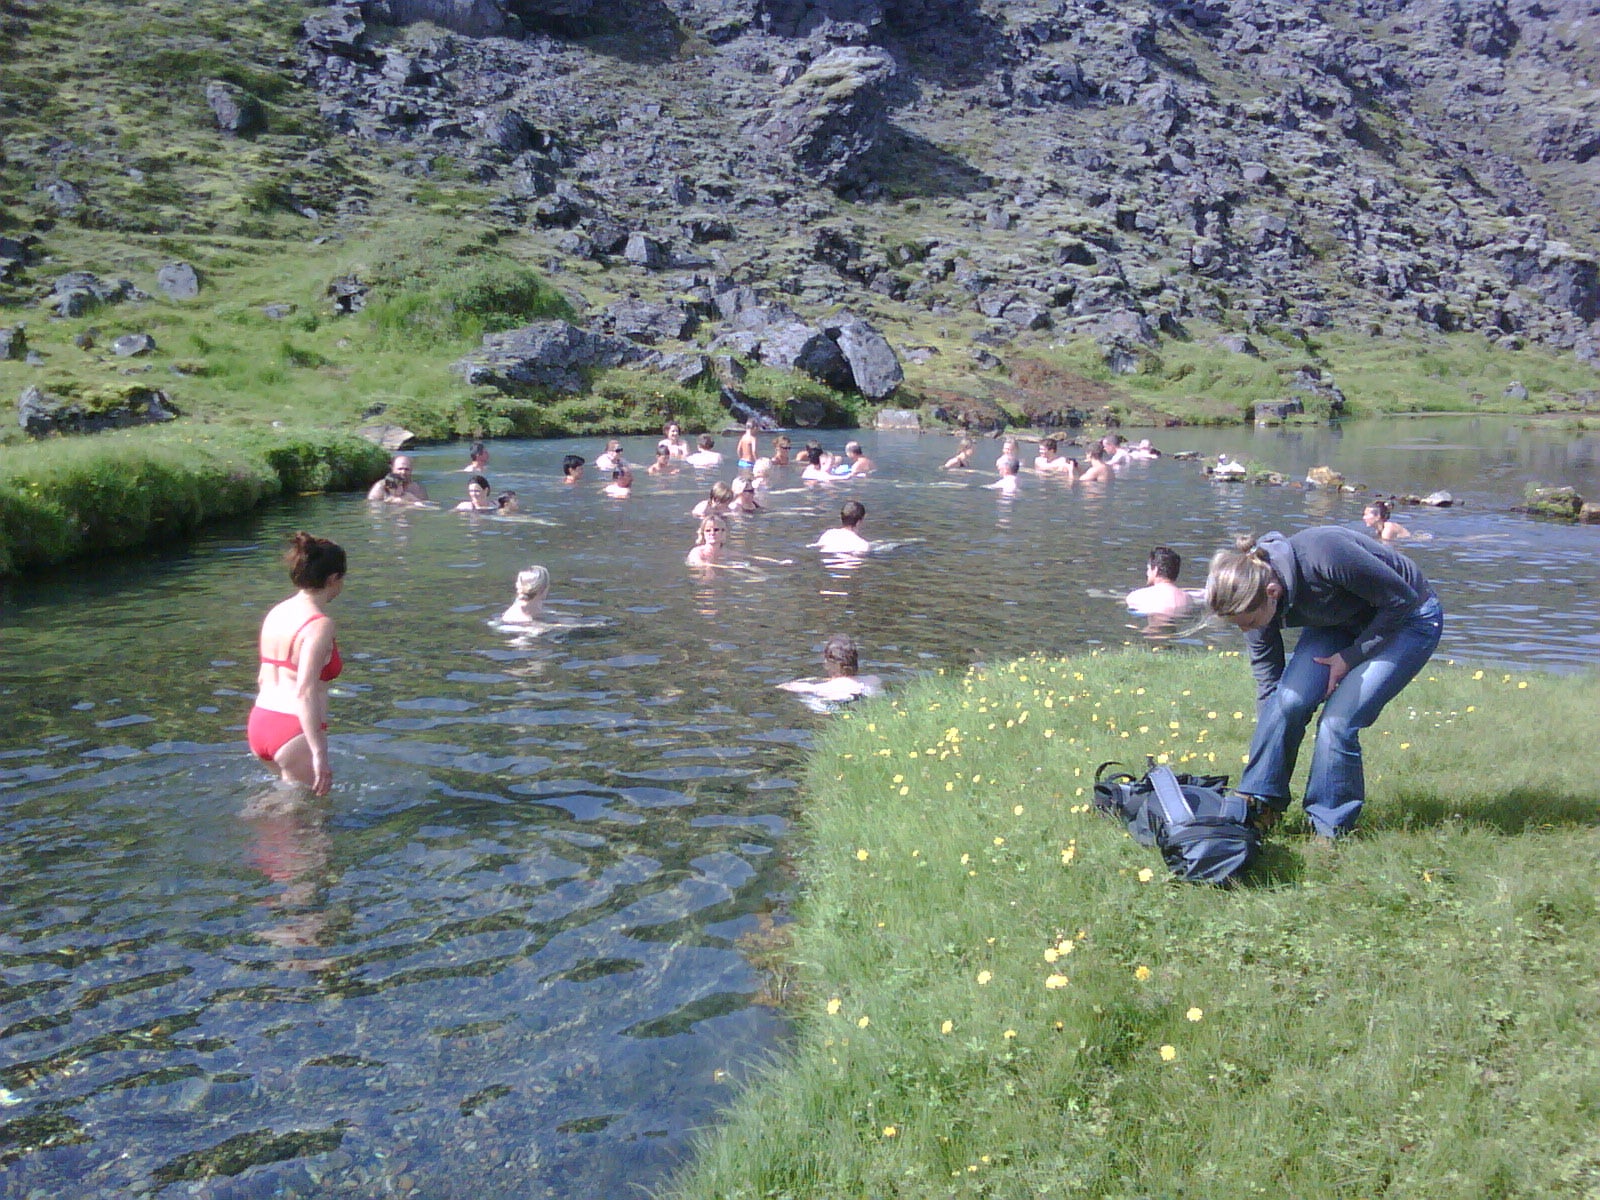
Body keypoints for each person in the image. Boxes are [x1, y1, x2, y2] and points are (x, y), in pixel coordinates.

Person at [1205, 529, 1444, 842]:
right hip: (1341, 622)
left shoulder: (1325, 554)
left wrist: (1350, 657)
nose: (1245, 629)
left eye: (1247, 622)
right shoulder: (1253, 600)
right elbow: (1269, 683)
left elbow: (1400, 600)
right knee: (1288, 701)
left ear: (1273, 592)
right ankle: (1260, 806)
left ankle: (1330, 830)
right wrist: (1269, 731)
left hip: (1409, 619)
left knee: (1338, 722)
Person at [247, 533, 346, 796]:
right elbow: (305, 691)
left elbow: (262, 678)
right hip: (293, 729)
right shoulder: (319, 624)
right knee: (312, 825)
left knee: (282, 808)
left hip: (260, 721)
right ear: (333, 579)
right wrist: (319, 754)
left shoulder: (277, 612)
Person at [778, 634, 883, 702]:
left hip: (833, 704)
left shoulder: (821, 688)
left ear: (831, 664)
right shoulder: (873, 680)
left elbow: (786, 686)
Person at [1125, 546, 1194, 618]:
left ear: (1155, 570)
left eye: (1148, 569)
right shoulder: (1188, 599)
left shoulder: (1136, 596)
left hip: (1153, 626)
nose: (1147, 573)